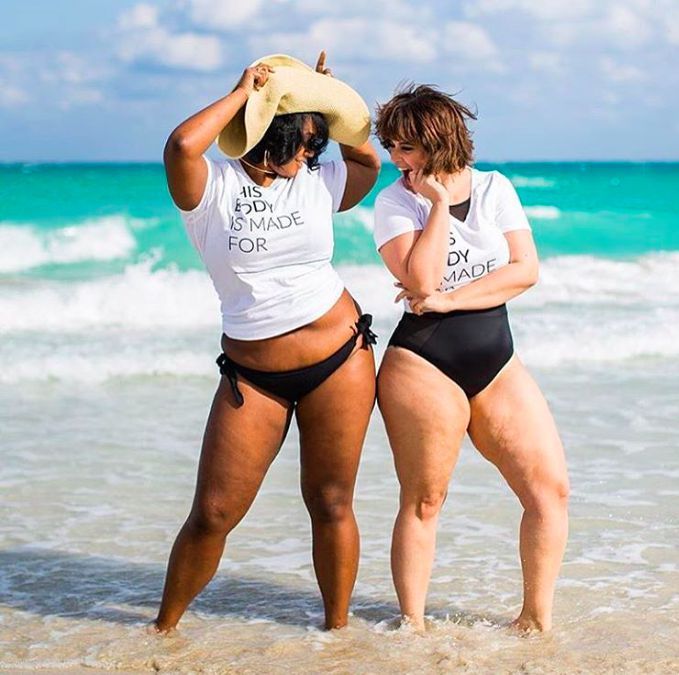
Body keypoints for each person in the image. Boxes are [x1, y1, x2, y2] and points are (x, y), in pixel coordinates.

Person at [152, 52, 380, 633]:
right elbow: (182, 146)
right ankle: (163, 630)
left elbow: (366, 159)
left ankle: (337, 634)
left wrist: (319, 95)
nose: (312, 154)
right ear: (270, 132)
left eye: (316, 144)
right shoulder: (210, 189)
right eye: (303, 142)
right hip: (253, 376)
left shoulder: (317, 180)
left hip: (341, 357)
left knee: (331, 503)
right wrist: (244, 94)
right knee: (213, 512)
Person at [372, 85, 569, 633]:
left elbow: (524, 270)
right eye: (390, 146)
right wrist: (435, 204)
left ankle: (534, 623)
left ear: (437, 141)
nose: (396, 160)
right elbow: (421, 279)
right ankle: (411, 628)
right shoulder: (395, 202)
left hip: (496, 357)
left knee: (549, 491)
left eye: (406, 147)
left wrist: (451, 299)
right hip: (423, 361)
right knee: (426, 500)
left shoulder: (493, 188)